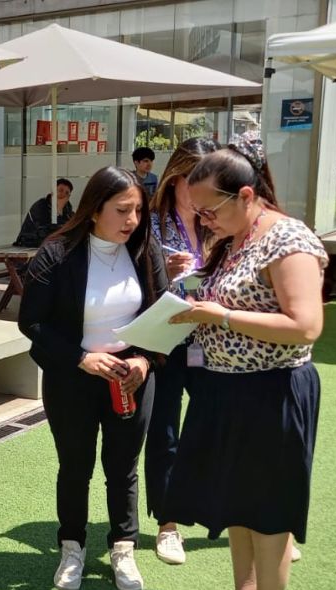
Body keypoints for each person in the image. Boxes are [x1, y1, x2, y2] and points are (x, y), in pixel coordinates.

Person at [167, 132, 327, 590]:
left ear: (246, 196)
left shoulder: (290, 240)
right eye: (198, 212)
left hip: (272, 391)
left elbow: (305, 325)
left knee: (268, 507)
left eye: (209, 211)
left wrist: (223, 316)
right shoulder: (235, 238)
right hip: (225, 388)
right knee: (237, 501)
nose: (203, 221)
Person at [18, 166, 167, 590]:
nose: (132, 220)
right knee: (75, 466)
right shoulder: (57, 252)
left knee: (123, 468)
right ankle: (72, 546)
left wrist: (144, 361)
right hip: (73, 376)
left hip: (131, 376)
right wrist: (81, 358)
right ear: (95, 209)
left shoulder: (144, 248)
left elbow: (162, 312)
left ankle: (123, 546)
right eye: (122, 210)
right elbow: (32, 322)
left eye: (138, 210)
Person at [145, 137, 219, 566]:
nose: (201, 191)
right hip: (166, 341)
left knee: (220, 423)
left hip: (209, 340)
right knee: (165, 431)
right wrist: (161, 269)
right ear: (174, 178)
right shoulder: (151, 223)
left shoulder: (217, 221)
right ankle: (167, 523)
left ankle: (231, 513)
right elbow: (131, 282)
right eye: (193, 180)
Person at [14, 178, 74, 247]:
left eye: (67, 193)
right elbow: (43, 232)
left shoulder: (67, 209)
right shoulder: (41, 206)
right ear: (53, 192)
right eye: (60, 190)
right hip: (29, 243)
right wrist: (58, 211)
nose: (63, 194)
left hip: (50, 245)